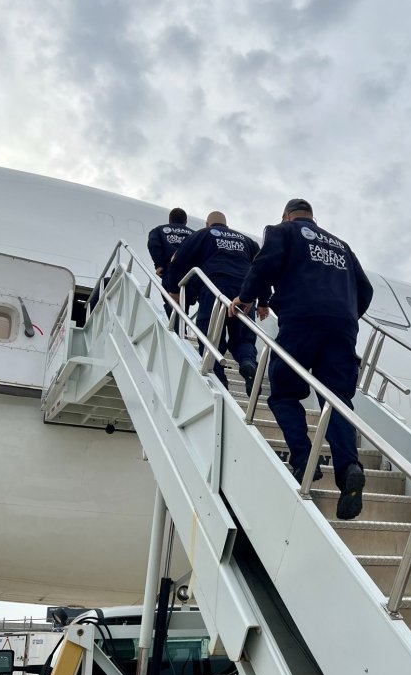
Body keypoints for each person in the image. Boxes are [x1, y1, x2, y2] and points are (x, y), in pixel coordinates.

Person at [228, 198, 373, 521]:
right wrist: (346, 315)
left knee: (283, 393)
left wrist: (247, 298)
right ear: (313, 217)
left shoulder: (283, 232)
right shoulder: (342, 246)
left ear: (287, 215)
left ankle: (304, 458)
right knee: (335, 399)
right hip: (343, 328)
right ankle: (348, 466)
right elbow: (365, 289)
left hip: (302, 320)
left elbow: (264, 265)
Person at [166, 211, 259, 393]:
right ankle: (248, 362)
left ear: (208, 223)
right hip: (244, 294)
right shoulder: (247, 241)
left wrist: (174, 290)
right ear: (226, 223)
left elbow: (179, 260)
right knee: (243, 339)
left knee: (211, 339)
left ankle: (219, 382)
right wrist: (262, 301)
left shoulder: (202, 234)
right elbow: (261, 269)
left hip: (214, 290)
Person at [147, 207, 194, 279]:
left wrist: (159, 264)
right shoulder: (195, 234)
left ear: (170, 220)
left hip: (169, 270)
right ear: (185, 221)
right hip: (189, 272)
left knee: (170, 290)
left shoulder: (158, 230)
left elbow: (153, 244)